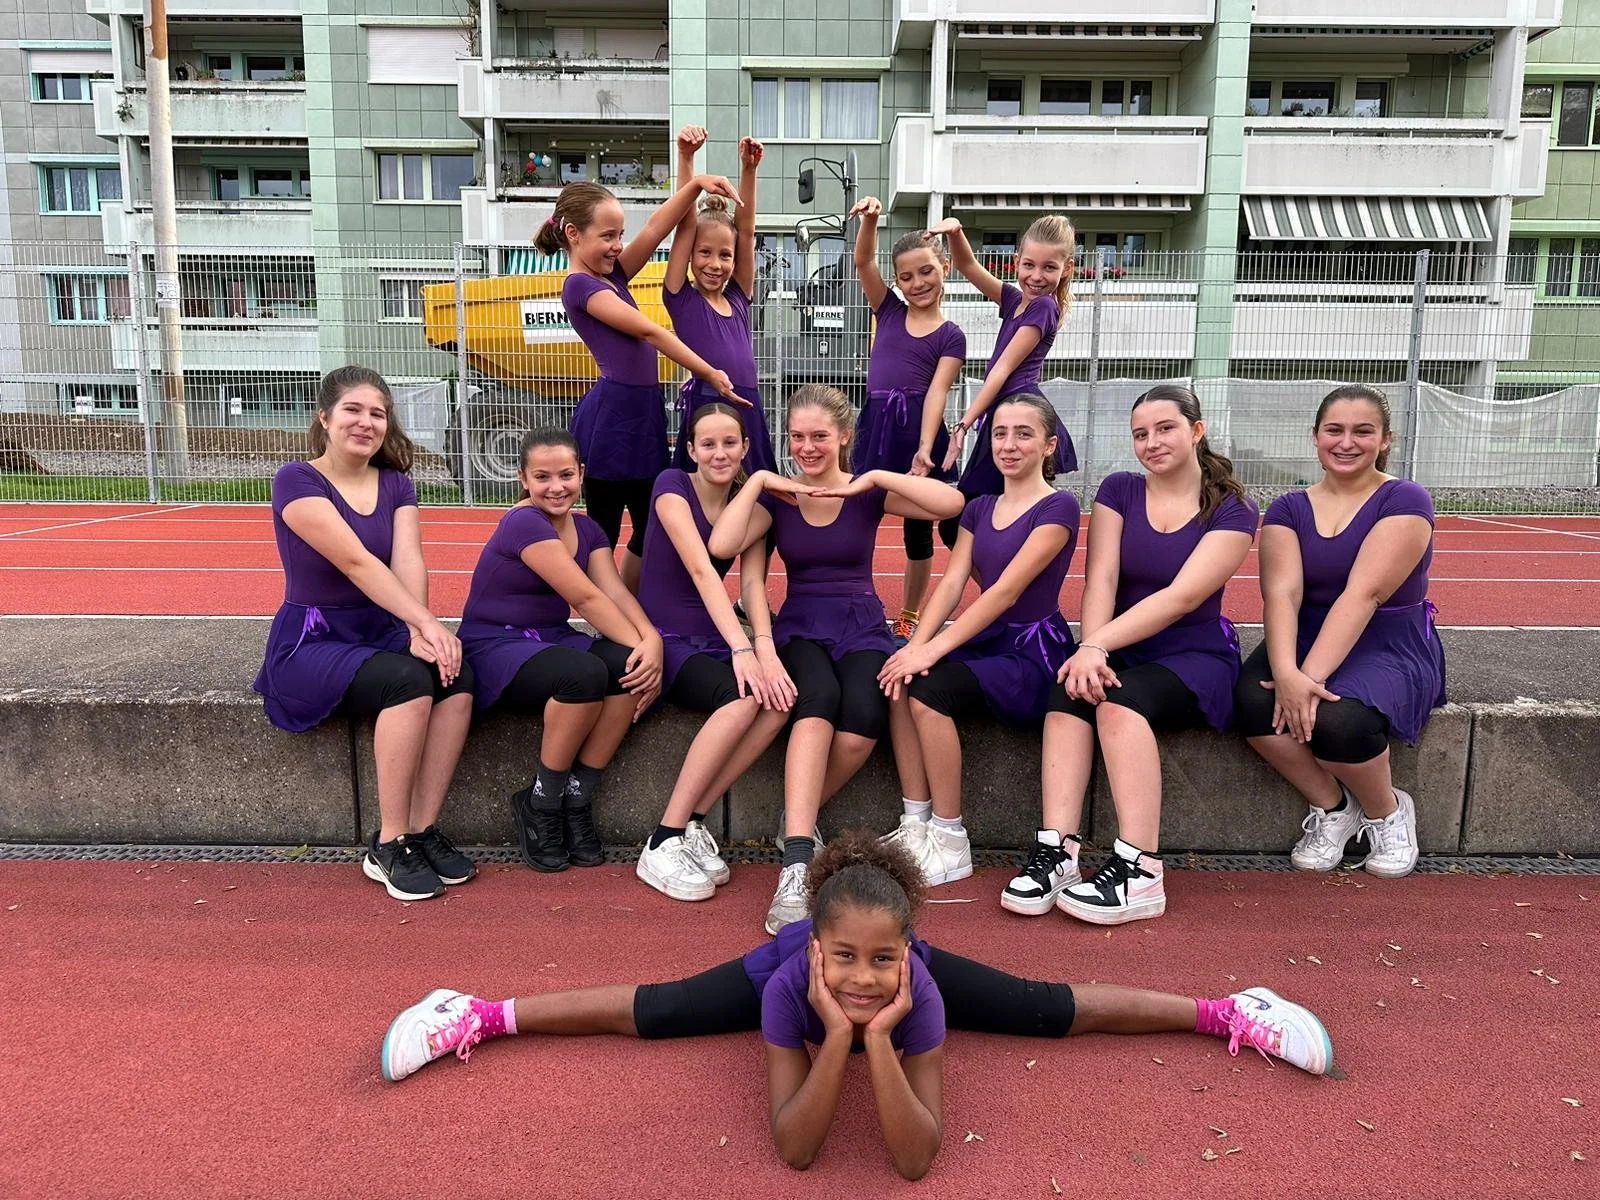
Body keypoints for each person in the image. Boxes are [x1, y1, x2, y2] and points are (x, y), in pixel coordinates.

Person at [380, 830, 1337, 1182]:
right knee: (658, 1011)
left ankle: (1228, 1012)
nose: (865, 974)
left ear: (912, 947)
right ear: (817, 945)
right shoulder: (791, 977)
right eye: (848, 957)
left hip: (898, 981)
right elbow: (797, 1148)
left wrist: (882, 1033)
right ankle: (477, 1011)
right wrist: (834, 1025)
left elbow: (916, 1160)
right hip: (784, 983)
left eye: (883, 958)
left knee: (1050, 1009)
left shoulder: (911, 980)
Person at [707, 385, 965, 934]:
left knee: (863, 721)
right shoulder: (777, 497)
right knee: (816, 698)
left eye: (820, 436)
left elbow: (951, 503)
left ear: (844, 436)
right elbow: (722, 546)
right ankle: (798, 858)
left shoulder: (866, 493)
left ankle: (792, 817)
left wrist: (873, 478)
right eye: (797, 437)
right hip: (801, 627)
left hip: (862, 626)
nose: (807, 447)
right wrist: (755, 479)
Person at [1017, 385, 1258, 925]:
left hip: (1194, 652)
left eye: (1165, 428)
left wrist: (1099, 644)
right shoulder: (1119, 490)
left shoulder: (1234, 507)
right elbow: (1100, 576)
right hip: (1119, 642)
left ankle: (1141, 869)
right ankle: (1058, 850)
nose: (1151, 442)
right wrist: (1089, 649)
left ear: (1196, 431)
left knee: (1123, 704)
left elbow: (1184, 596)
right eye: (1140, 434)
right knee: (1069, 691)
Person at [255, 365, 474, 903]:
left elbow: (408, 559)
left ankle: (422, 829)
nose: (366, 422)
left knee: (458, 674)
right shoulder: (297, 479)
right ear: (325, 418)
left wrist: (419, 626)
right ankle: (388, 841)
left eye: (377, 413)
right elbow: (355, 562)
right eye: (353, 410)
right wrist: (423, 625)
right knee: (406, 680)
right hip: (314, 638)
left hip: (379, 627)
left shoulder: (397, 482)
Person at [1234, 385, 1446, 880]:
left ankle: (1387, 811)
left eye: (1363, 431)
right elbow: (1282, 595)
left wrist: (1303, 682)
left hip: (1386, 639)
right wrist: (1284, 671)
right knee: (1247, 703)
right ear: (1316, 437)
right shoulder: (1288, 507)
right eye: (1335, 430)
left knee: (1338, 721)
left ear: (1385, 440)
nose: (1346, 442)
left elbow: (1363, 595)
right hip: (1307, 632)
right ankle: (1333, 808)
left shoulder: (1405, 499)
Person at [876, 394, 1079, 889]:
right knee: (899, 677)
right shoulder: (980, 507)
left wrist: (933, 649)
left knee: (929, 689)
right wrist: (914, 646)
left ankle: (951, 837)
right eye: (1000, 434)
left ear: (1049, 445)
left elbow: (1006, 592)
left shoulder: (1059, 507)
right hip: (987, 638)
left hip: (1032, 649)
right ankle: (916, 821)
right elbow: (951, 583)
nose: (1009, 445)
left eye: (1024, 434)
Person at [458, 429, 664, 874]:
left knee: (627, 664)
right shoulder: (523, 522)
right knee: (584, 673)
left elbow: (615, 592)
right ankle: (542, 801)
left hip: (549, 635)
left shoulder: (588, 529)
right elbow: (586, 600)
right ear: (523, 480)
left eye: (566, 475)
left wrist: (651, 642)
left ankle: (577, 796)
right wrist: (646, 645)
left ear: (582, 474)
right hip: (496, 640)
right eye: (543, 476)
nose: (556, 486)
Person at [534, 175, 743, 590]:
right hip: (612, 422)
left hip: (642, 414)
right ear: (573, 235)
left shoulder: (611, 275)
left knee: (652, 524)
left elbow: (655, 230)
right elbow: (651, 333)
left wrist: (695, 183)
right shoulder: (580, 286)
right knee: (603, 532)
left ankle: (630, 601)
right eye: (608, 235)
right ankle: (599, 611)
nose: (617, 245)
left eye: (620, 235)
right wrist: (709, 372)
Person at [634, 402, 796, 901]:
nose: (719, 453)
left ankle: (694, 822)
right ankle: (663, 838)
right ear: (691, 450)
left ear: (747, 447)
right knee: (744, 696)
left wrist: (764, 651)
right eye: (708, 444)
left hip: (714, 634)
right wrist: (743, 649)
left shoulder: (756, 512)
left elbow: (751, 585)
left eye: (731, 443)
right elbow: (703, 571)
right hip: (669, 636)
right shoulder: (671, 485)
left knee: (778, 700)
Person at [847, 196, 968, 644]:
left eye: (926, 271)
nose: (917, 283)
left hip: (919, 429)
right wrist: (872, 221)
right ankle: (853, 600)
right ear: (896, 281)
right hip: (877, 425)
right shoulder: (888, 311)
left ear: (945, 269)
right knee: (858, 514)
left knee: (921, 530)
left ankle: (911, 612)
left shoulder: (951, 335)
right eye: (906, 276)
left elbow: (937, 391)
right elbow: (862, 260)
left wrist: (924, 446)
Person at [663, 126, 777, 476]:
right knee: (704, 492)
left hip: (747, 406)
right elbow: (684, 225)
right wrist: (686, 158)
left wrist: (749, 170)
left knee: (755, 494)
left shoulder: (739, 296)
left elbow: (747, 231)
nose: (715, 264)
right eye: (705, 253)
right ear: (691, 255)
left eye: (725, 255)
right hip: (707, 405)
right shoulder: (681, 298)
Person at [934, 214, 1076, 495]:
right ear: (1016, 262)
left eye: (1049, 267)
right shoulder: (1014, 300)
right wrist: (955, 231)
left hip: (1020, 407)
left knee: (979, 502)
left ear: (1067, 268)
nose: (1036, 276)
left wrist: (963, 424)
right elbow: (967, 265)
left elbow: (1002, 369)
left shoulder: (1044, 307)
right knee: (982, 504)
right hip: (1004, 408)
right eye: (1028, 265)